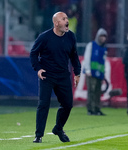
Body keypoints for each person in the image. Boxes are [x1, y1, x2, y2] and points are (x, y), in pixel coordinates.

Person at [30, 12, 81, 143]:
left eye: (67, 18)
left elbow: (74, 56)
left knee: (68, 105)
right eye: (63, 19)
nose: (67, 21)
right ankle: (38, 135)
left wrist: (77, 72)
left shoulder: (71, 36)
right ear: (56, 23)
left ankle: (58, 128)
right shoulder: (45, 37)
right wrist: (38, 68)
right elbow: (33, 53)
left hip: (63, 76)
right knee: (43, 104)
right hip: (47, 75)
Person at [82, 28, 107, 115]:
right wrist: (88, 70)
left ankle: (97, 108)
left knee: (97, 92)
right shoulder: (91, 45)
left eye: (104, 36)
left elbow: (103, 62)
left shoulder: (104, 48)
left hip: (99, 73)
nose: (103, 38)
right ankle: (90, 109)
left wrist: (103, 73)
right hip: (91, 72)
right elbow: (87, 58)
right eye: (102, 36)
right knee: (91, 91)